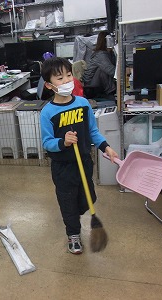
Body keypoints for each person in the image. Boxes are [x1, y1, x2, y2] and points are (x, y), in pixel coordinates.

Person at [40, 57, 118, 254]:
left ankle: (76, 216)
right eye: (60, 78)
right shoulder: (47, 112)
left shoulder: (83, 104)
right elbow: (47, 142)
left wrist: (105, 147)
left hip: (84, 161)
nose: (67, 81)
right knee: (68, 202)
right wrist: (63, 142)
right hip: (63, 167)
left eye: (69, 75)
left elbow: (93, 131)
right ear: (49, 85)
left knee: (86, 198)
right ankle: (73, 234)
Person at [81, 31, 116, 100]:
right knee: (103, 70)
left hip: (95, 83)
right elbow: (111, 71)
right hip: (91, 87)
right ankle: (111, 93)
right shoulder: (101, 54)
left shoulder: (106, 53)